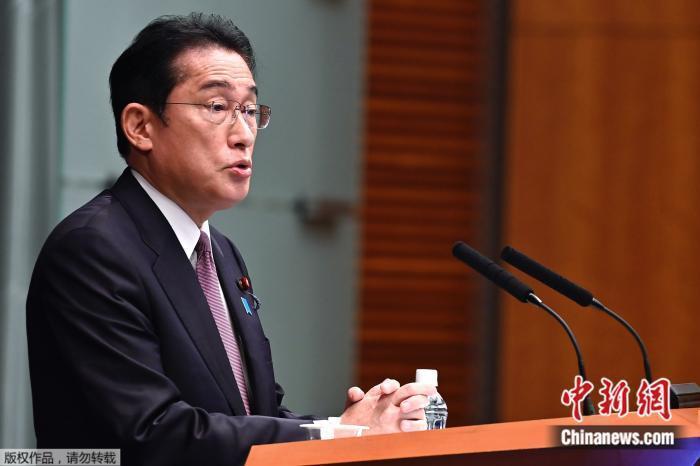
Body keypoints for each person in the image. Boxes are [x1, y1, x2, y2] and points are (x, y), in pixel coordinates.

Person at [26, 12, 435, 466]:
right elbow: (153, 433)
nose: (243, 135)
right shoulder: (93, 249)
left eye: (249, 110)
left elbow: (253, 414)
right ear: (140, 126)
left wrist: (355, 427)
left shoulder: (220, 252)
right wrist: (336, 436)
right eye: (217, 107)